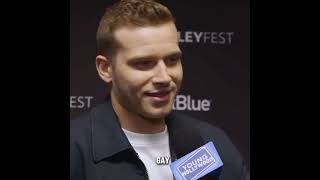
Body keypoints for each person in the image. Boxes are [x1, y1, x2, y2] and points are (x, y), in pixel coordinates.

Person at [70, 0, 250, 179]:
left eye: (172, 60)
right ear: (105, 68)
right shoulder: (76, 150)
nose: (164, 77)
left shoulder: (213, 142)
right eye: (144, 64)